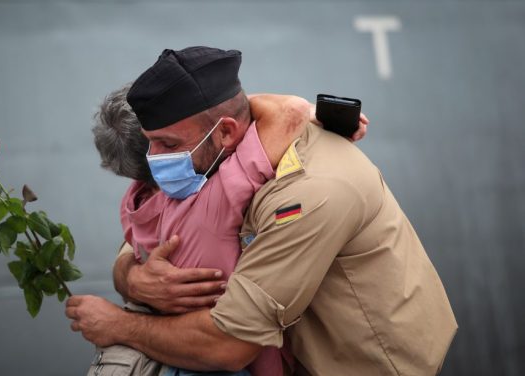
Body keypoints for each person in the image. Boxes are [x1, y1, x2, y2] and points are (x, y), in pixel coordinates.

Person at [67, 46, 457, 375]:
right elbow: (154, 219)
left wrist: (118, 325)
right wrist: (132, 276)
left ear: (225, 132)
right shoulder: (211, 154)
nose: (156, 162)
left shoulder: (311, 190)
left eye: (166, 145)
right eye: (152, 145)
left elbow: (228, 344)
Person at [91, 82, 367, 375]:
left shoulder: (133, 206)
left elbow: (130, 246)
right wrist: (308, 113)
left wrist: (128, 276)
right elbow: (285, 114)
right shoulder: (214, 202)